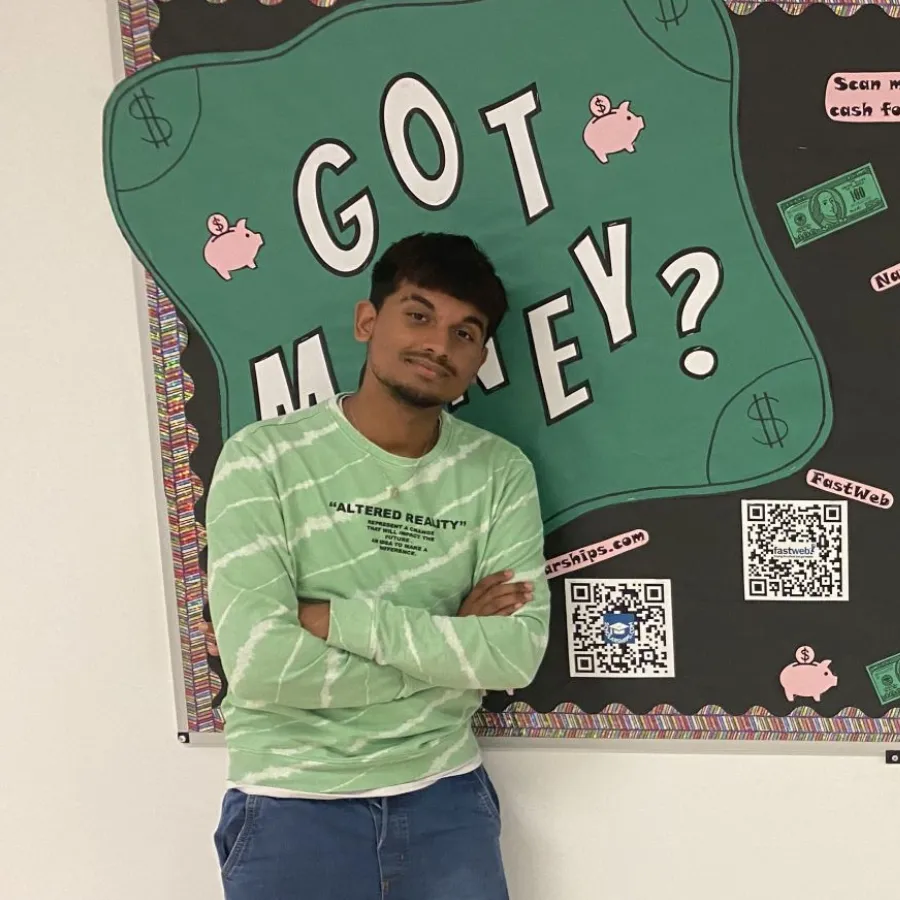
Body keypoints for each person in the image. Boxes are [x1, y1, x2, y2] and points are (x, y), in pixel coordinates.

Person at [205, 232, 552, 900]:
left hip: (447, 802)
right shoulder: (264, 459)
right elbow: (259, 662)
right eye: (417, 316)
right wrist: (450, 657)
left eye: (464, 333)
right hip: (289, 807)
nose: (437, 346)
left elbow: (513, 655)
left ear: (480, 357)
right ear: (368, 320)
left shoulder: (499, 472)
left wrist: (336, 619)